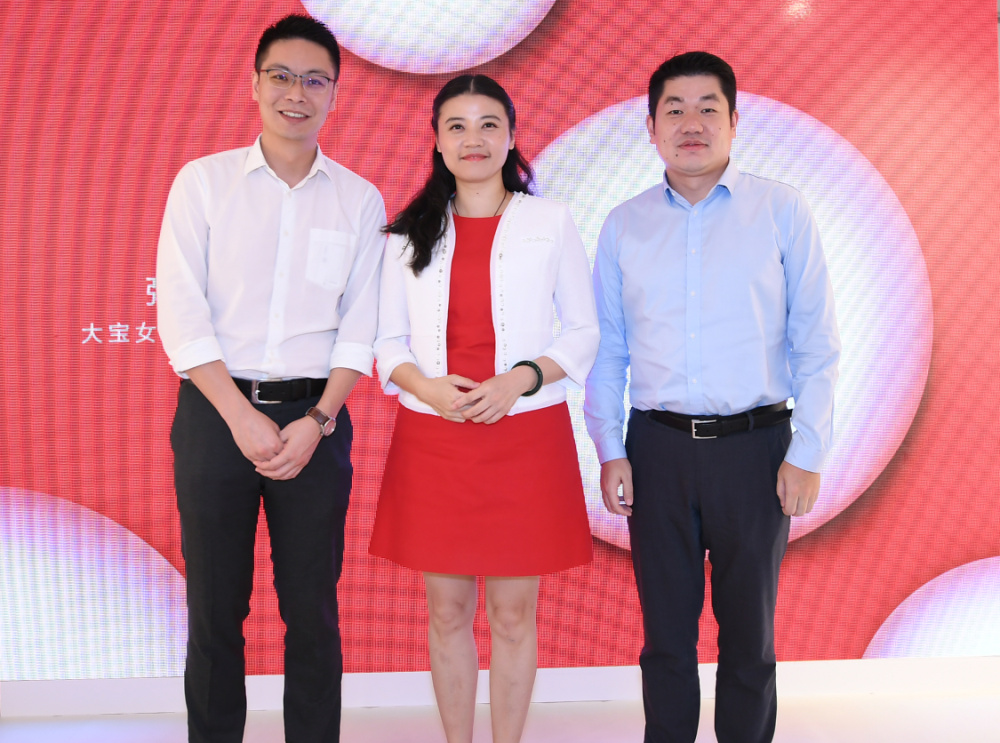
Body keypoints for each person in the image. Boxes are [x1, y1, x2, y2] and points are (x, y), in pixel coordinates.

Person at [584, 52, 840, 743]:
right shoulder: (624, 224)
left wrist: (808, 451)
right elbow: (608, 351)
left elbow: (817, 342)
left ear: (733, 121)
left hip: (757, 450)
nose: (690, 123)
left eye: (707, 109)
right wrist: (610, 448)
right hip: (656, 449)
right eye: (674, 109)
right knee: (666, 637)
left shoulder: (781, 210)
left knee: (750, 638)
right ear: (651, 127)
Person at [155, 14, 385, 743]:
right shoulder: (204, 183)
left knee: (312, 610)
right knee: (215, 609)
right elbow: (182, 315)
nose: (297, 93)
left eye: (315, 80)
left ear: (334, 94)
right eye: (281, 76)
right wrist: (239, 415)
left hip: (315, 422)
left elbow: (360, 328)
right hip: (216, 415)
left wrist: (316, 421)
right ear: (254, 85)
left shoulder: (359, 200)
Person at [369, 74, 598, 743]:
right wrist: (428, 388)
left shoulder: (549, 222)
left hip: (523, 436)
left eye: (488, 124)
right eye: (458, 126)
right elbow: (386, 344)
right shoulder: (406, 234)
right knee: (446, 612)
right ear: (438, 141)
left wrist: (519, 380)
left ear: (511, 136)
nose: (474, 139)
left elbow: (583, 331)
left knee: (513, 614)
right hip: (435, 437)